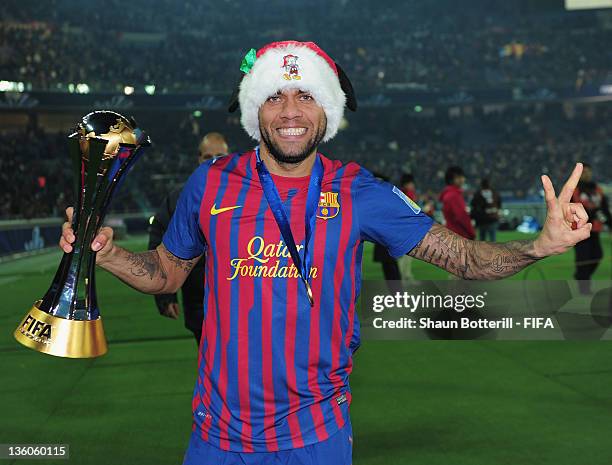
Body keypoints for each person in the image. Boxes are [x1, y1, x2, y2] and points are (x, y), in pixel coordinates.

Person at [59, 41, 592, 465]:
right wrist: (105, 252)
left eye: (306, 96)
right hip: (217, 439)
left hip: (316, 438)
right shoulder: (211, 183)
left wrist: (540, 246)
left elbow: (465, 260)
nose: (291, 111)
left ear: (328, 110)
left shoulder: (361, 190)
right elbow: (166, 275)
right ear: (254, 110)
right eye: (275, 97)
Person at [148, 132, 229, 344]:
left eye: (219, 156)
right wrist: (165, 295)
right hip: (198, 303)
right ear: (198, 159)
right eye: (207, 156)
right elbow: (159, 244)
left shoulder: (250, 193)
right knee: (212, 370)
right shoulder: (180, 197)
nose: (213, 161)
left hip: (244, 304)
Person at [571, 163, 611, 294]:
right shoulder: (573, 190)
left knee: (597, 256)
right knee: (583, 259)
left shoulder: (597, 189)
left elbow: (604, 209)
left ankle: (581, 276)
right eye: (583, 172)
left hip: (594, 231)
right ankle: (584, 288)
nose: (587, 174)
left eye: (588, 172)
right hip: (579, 231)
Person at [440, 166, 476, 240]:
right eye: (459, 177)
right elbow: (462, 217)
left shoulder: (448, 194)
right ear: (451, 180)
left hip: (451, 234)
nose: (463, 179)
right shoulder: (454, 195)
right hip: (460, 236)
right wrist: (472, 233)